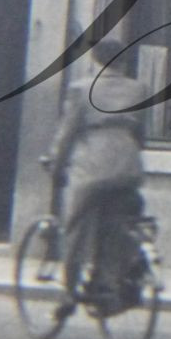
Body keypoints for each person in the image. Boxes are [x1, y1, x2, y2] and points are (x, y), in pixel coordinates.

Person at [40, 37, 152, 319]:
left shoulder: (81, 89)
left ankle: (68, 291)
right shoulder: (139, 89)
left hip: (91, 169)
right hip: (128, 166)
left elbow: (67, 133)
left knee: (75, 227)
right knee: (118, 224)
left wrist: (55, 163)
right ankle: (113, 282)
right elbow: (141, 135)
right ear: (125, 61)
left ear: (95, 60)